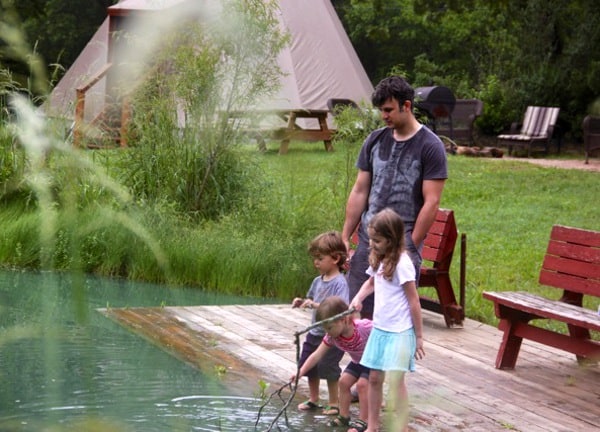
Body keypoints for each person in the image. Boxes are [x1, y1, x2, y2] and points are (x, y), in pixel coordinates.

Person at [342, 75, 447, 320]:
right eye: (381, 110)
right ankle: (338, 360)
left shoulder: (430, 146)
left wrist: (409, 247)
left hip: (403, 244)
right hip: (368, 242)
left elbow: (431, 202)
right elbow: (360, 190)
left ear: (406, 106)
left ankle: (381, 359)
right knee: (352, 312)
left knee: (393, 317)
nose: (384, 116)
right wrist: (345, 235)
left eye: (388, 109)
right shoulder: (375, 140)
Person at [349, 208, 425, 432]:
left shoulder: (403, 264)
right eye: (371, 239)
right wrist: (358, 298)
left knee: (395, 381)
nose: (372, 244)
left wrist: (419, 336)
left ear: (392, 239)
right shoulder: (380, 260)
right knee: (374, 378)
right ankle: (372, 427)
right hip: (380, 329)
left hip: (400, 331)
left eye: (378, 240)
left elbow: (414, 302)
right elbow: (372, 283)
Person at [290, 296, 371, 430]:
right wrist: (300, 372)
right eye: (325, 328)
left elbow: (382, 333)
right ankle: (344, 416)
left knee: (362, 385)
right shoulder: (332, 337)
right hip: (358, 361)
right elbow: (316, 355)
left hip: (373, 360)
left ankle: (364, 420)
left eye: (329, 327)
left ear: (344, 319)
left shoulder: (362, 327)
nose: (327, 332)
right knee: (343, 382)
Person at [291, 231, 349, 416]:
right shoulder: (318, 281)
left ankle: (334, 402)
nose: (316, 262)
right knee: (309, 365)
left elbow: (340, 307)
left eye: (320, 258)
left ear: (335, 258)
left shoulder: (340, 283)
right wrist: (302, 301)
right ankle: (314, 399)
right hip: (315, 332)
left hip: (332, 334)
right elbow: (311, 298)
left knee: (328, 367)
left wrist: (315, 304)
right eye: (314, 258)